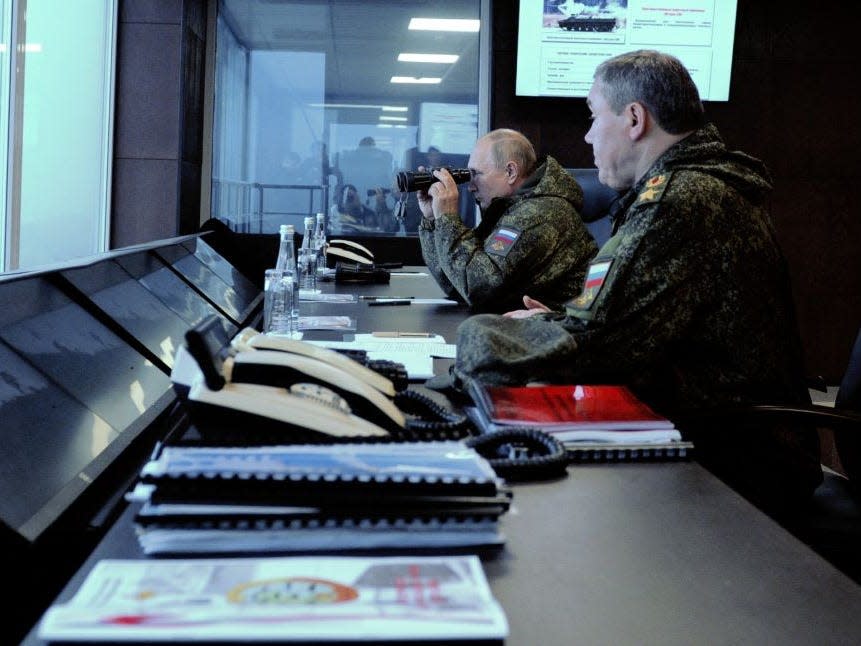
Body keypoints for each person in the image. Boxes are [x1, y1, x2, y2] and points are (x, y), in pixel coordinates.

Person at [445, 50, 823, 516]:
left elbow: (600, 346)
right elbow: (627, 328)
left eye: (592, 116)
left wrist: (489, 335)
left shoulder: (681, 199)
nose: (586, 135)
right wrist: (562, 323)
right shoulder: (696, 187)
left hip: (734, 458)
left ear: (634, 119)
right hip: (716, 429)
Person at [416, 128, 598, 313]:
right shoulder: (512, 208)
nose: (470, 187)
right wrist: (433, 220)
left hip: (563, 334)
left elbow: (476, 286)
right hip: (533, 328)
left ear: (510, 172)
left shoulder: (539, 214)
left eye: (476, 174)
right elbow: (456, 282)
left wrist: (447, 218)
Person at [330, 183, 395, 234]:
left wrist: (382, 205)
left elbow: (387, 229)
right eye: (347, 199)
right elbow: (335, 231)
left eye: (351, 197)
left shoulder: (370, 214)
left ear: (357, 196)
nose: (350, 201)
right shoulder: (339, 216)